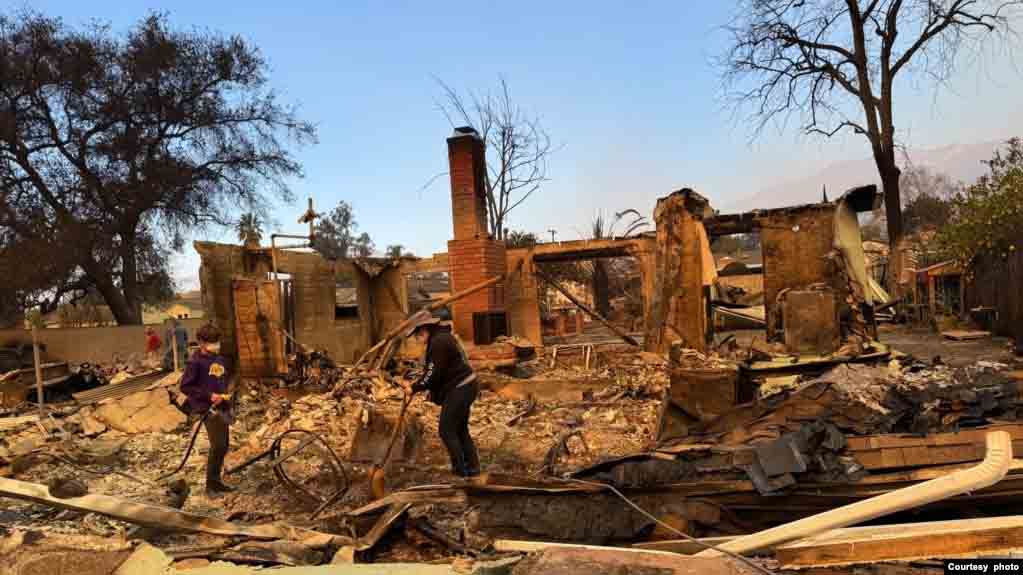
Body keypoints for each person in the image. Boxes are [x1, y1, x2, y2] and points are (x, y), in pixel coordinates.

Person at [402, 310, 480, 479]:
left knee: (447, 430)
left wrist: (414, 387)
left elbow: (433, 373)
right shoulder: (441, 338)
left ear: (424, 330)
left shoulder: (438, 343)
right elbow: (438, 372)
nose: (417, 340)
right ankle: (472, 470)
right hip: (465, 386)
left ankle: (460, 473)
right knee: (459, 430)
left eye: (417, 335)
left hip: (461, 388)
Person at [179, 323, 234, 496]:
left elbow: (221, 379)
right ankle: (210, 486)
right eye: (212, 342)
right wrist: (209, 396)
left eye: (217, 341)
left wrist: (225, 395)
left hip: (222, 406)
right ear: (201, 342)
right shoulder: (195, 363)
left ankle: (217, 482)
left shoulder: (219, 359)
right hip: (208, 409)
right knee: (217, 446)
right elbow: (186, 386)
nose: (216, 345)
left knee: (224, 446)